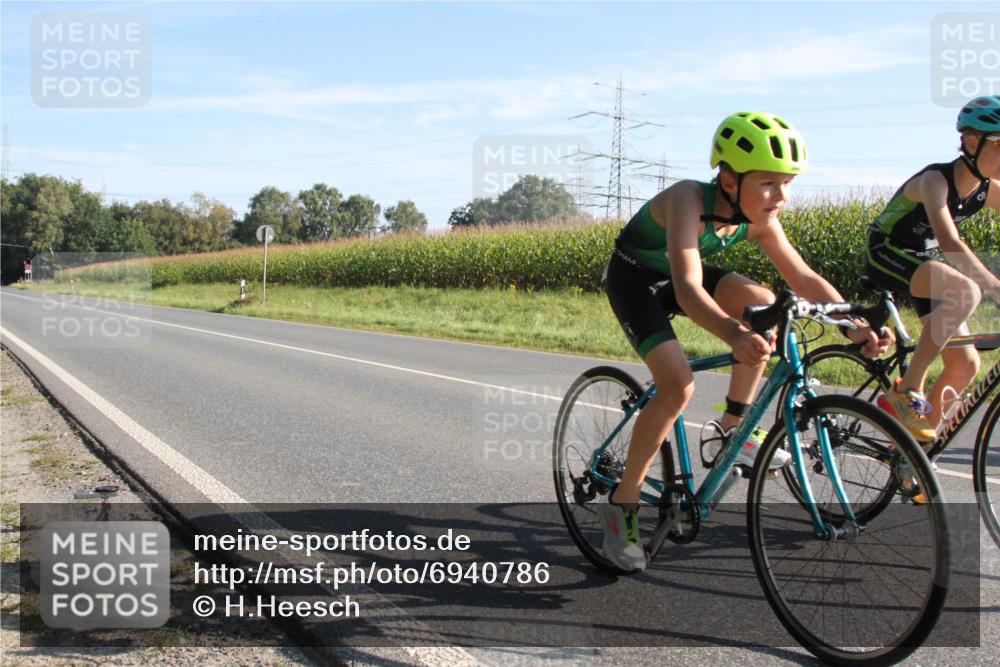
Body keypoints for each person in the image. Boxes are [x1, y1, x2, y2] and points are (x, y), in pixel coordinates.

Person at [599, 111, 891, 571]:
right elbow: (689, 289)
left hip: (681, 276)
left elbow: (803, 276)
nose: (781, 197)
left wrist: (854, 324)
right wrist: (735, 334)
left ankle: (731, 426)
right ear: (730, 179)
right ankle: (623, 502)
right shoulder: (687, 200)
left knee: (764, 301)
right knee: (676, 384)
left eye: (787, 183)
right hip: (637, 280)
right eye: (769, 184)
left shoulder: (756, 218)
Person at [866, 95, 1000, 443]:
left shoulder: (986, 190)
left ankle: (916, 453)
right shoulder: (935, 180)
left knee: (966, 365)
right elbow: (950, 241)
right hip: (886, 251)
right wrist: (993, 285)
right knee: (965, 290)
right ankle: (907, 389)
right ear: (972, 142)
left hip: (923, 264)